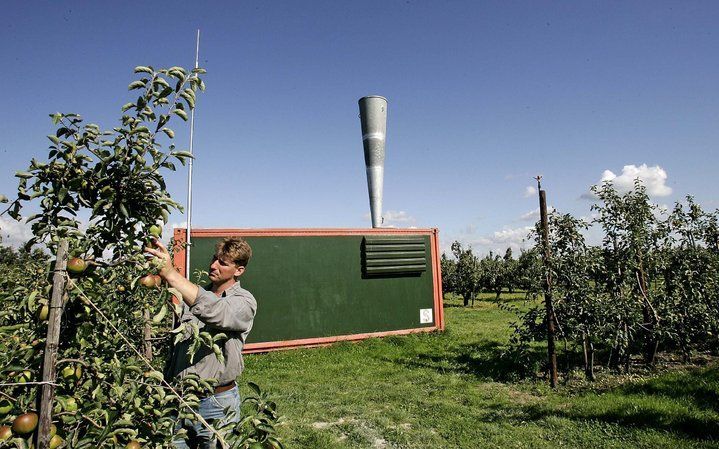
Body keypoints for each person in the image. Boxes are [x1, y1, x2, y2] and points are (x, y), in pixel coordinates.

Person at [145, 236, 257, 449]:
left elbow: (215, 311)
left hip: (215, 403)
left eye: (223, 263)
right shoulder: (195, 297)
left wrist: (170, 274)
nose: (213, 265)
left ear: (239, 270)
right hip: (178, 400)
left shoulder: (244, 302)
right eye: (214, 259)